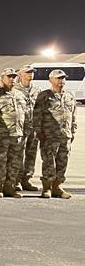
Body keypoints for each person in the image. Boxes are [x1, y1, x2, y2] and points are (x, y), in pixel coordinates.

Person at [0, 68, 28, 198]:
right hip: (1, 136)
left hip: (17, 135)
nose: (12, 79)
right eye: (9, 77)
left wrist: (24, 131)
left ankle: (10, 187)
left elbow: (24, 114)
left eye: (14, 77)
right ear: (3, 79)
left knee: (14, 163)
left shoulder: (20, 95)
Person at [33, 69, 76, 198]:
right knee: (48, 162)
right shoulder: (44, 96)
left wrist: (73, 131)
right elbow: (37, 116)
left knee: (63, 162)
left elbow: (73, 115)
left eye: (63, 78)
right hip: (49, 136)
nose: (61, 81)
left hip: (65, 135)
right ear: (51, 80)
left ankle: (57, 187)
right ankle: (47, 187)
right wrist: (39, 132)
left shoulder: (69, 95)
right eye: (58, 78)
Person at [15, 65, 40, 191]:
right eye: (28, 72)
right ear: (20, 74)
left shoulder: (37, 90)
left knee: (31, 154)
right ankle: (16, 180)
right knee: (18, 154)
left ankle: (27, 179)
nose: (30, 75)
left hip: (33, 127)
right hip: (20, 127)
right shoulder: (15, 89)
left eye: (32, 72)